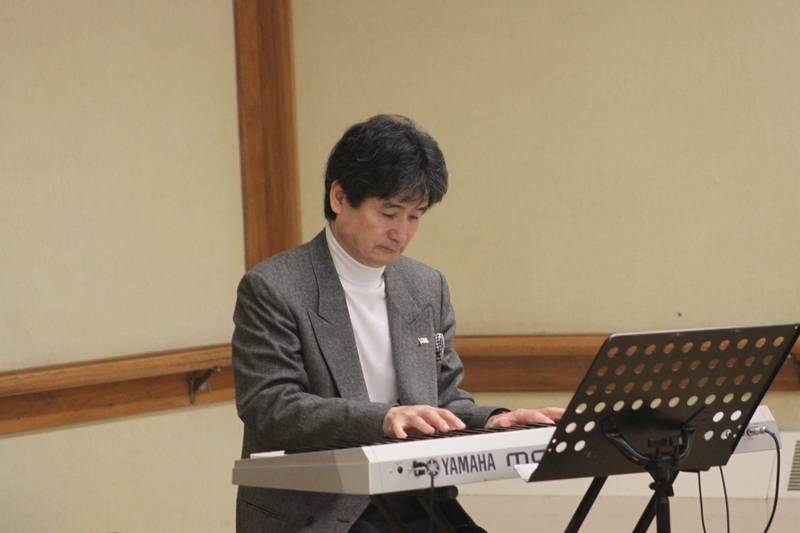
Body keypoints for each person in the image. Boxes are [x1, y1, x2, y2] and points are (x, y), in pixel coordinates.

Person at [232, 114, 564, 533]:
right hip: (322, 507)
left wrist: (494, 420)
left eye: (415, 216)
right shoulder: (274, 287)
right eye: (388, 213)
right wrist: (383, 419)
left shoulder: (425, 286)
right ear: (339, 197)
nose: (401, 233)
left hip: (416, 496)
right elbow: (271, 408)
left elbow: (444, 401)